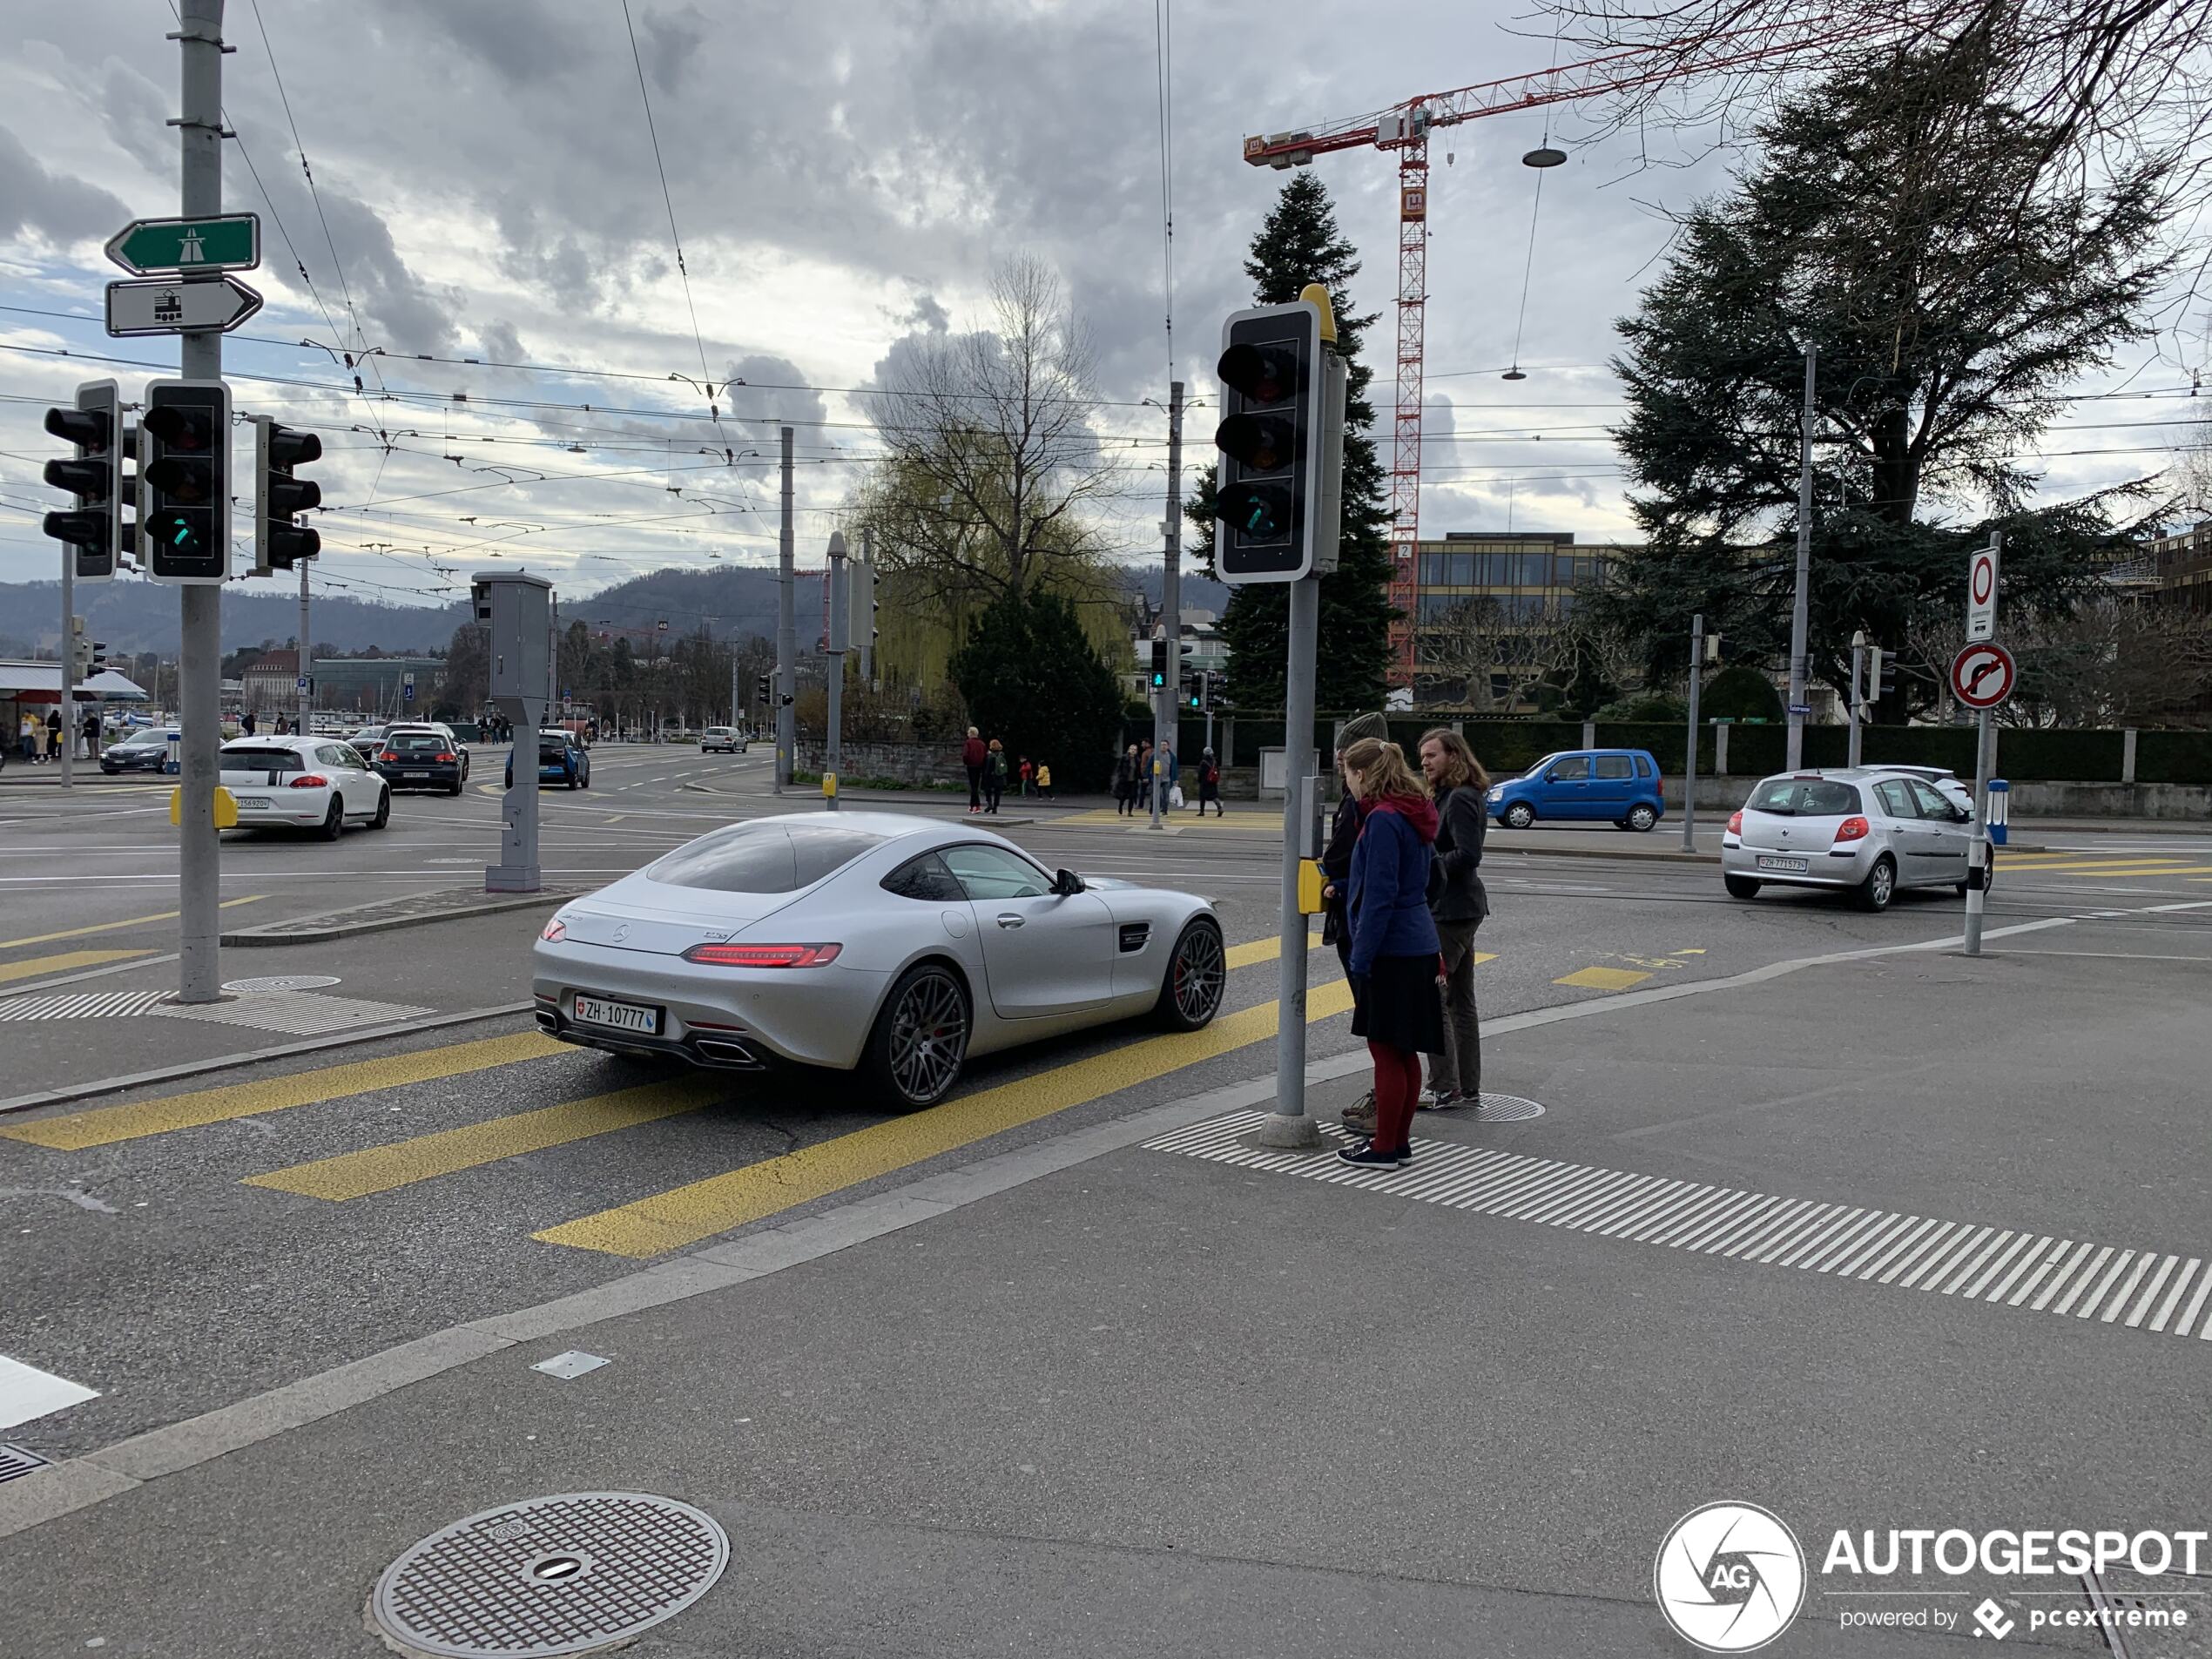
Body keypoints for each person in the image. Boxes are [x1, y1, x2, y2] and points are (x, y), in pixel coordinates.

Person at [1337, 736, 1445, 1168]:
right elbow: (1420, 881)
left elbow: (1380, 896)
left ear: (1361, 773)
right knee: (1406, 1050)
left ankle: (1383, 1148)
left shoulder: (1382, 819)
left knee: (1384, 1050)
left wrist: (1361, 959)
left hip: (1391, 949)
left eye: (1347, 773)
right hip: (1418, 943)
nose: (1346, 782)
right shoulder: (1413, 812)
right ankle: (1398, 1143)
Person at [1323, 712, 1391, 1137]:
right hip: (1366, 923)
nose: (1336, 760)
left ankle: (1384, 1115)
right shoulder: (1389, 802)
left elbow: (1371, 874)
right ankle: (1384, 1104)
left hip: (1364, 927)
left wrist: (1338, 884)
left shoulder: (1370, 807)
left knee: (1378, 1021)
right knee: (1382, 1023)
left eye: (1344, 754)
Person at [1417, 728, 1491, 1110]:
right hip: (1460, 908)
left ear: (1454, 756)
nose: (1425, 762)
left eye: (1432, 755)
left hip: (1451, 911)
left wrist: (1425, 866)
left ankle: (1445, 1087)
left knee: (1435, 999)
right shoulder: (1453, 795)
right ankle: (1467, 1086)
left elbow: (1468, 855)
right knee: (1461, 1000)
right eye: (1423, 756)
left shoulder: (1460, 798)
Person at [962, 725, 988, 814]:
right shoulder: (982, 744)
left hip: (971, 766)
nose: (968, 734)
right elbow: (985, 756)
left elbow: (965, 755)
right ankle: (972, 805)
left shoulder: (968, 743)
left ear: (971, 733)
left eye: (968, 732)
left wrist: (967, 762)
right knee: (975, 786)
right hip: (979, 766)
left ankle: (977, 806)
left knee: (973, 787)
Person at [1194, 747, 1223, 816]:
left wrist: (1199, 780)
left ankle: (1202, 811)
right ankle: (1219, 808)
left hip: (1204, 782)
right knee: (1214, 796)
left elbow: (1200, 772)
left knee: (1202, 796)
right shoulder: (1214, 761)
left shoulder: (1203, 762)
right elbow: (1218, 771)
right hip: (1213, 782)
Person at [1113, 744, 1141, 816]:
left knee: (1132, 796)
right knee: (1123, 796)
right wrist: (1119, 776)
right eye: (1132, 749)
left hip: (1133, 781)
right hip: (1124, 780)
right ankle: (1120, 806)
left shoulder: (1137, 760)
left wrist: (1142, 778)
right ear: (1129, 750)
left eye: (1135, 749)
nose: (1133, 751)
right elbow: (1119, 768)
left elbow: (1138, 771)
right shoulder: (1124, 758)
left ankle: (1129, 812)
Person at [983, 738, 1008, 815]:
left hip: (991, 777)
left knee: (988, 790)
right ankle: (995, 808)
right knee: (997, 793)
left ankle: (990, 804)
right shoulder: (1002, 755)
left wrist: (985, 775)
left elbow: (988, 769)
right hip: (999, 776)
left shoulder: (990, 756)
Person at [1136, 738, 1154, 811]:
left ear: (1147, 744)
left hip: (1148, 774)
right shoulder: (1149, 751)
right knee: (1151, 790)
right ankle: (1150, 806)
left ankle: (1141, 806)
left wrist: (1145, 774)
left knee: (1143, 790)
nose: (1142, 745)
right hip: (1149, 773)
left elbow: (1148, 764)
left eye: (1143, 743)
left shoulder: (1148, 752)